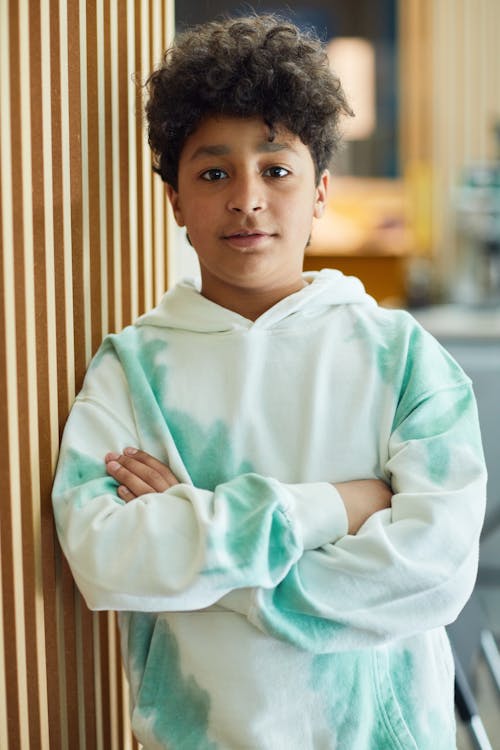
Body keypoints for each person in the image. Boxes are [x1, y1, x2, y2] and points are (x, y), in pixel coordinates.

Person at [52, 14, 487, 749]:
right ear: (176, 204)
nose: (246, 198)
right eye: (213, 172)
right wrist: (333, 507)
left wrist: (213, 565)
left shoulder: (400, 354)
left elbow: (433, 572)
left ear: (320, 190)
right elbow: (106, 555)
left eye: (276, 170)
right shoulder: (131, 369)